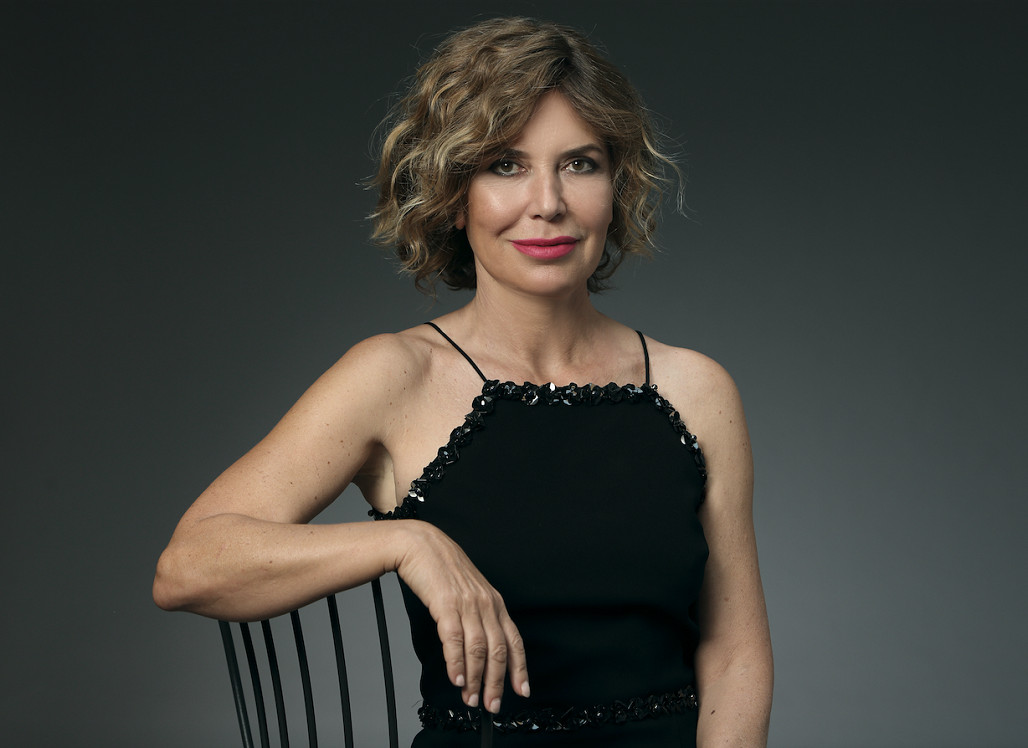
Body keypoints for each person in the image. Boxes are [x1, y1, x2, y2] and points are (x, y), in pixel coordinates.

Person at [154, 17, 773, 748]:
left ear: (616, 186)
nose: (548, 202)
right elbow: (188, 568)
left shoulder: (695, 390)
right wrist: (407, 543)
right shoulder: (396, 376)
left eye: (579, 164)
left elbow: (734, 655)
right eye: (505, 165)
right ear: (453, 195)